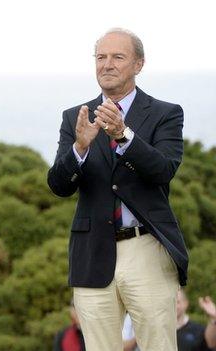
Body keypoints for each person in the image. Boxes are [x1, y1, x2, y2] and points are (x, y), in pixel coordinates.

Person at [47, 27, 189, 351]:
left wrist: (124, 135)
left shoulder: (166, 113)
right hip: (92, 251)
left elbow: (163, 170)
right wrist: (79, 149)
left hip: (147, 247)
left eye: (117, 57)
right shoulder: (75, 117)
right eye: (101, 57)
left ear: (139, 64)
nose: (107, 64)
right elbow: (58, 185)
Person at [123, 290, 216, 351]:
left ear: (186, 304)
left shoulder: (199, 330)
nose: (173, 305)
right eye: (169, 301)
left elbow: (211, 343)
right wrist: (143, 333)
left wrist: (214, 318)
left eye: (177, 301)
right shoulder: (152, 327)